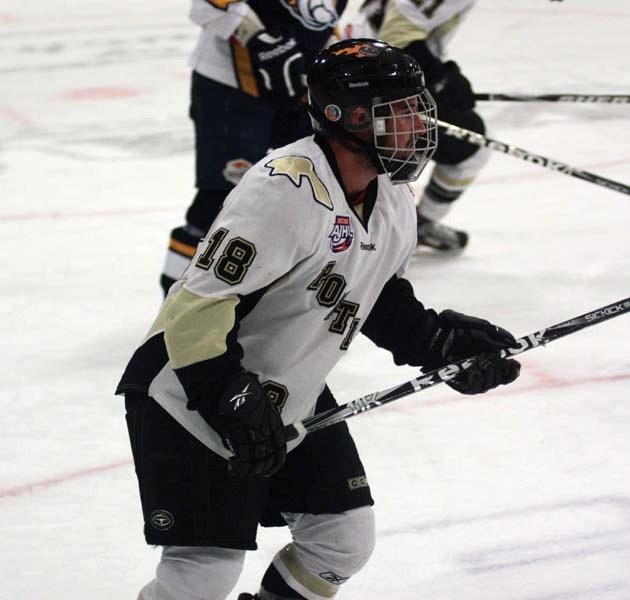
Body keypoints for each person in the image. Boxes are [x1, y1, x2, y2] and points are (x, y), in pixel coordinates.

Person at [117, 39, 521, 600]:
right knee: (204, 570)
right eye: (398, 113)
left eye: (418, 109)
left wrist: (440, 342)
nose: (419, 125)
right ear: (346, 118)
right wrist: (228, 396)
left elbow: (375, 295)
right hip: (188, 393)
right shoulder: (283, 189)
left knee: (341, 540)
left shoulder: (393, 197)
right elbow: (194, 311)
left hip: (285, 393)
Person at [161, 0, 348, 294]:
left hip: (299, 84)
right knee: (220, 201)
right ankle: (174, 303)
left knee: (315, 190)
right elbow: (205, 6)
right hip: (230, 86)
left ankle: (275, 296)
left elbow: (319, 17)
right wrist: (257, 36)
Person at [345, 0, 485, 252]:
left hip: (368, 72)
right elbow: (397, 38)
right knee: (473, 144)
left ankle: (411, 226)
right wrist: (440, 79)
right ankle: (397, 229)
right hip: (371, 81)